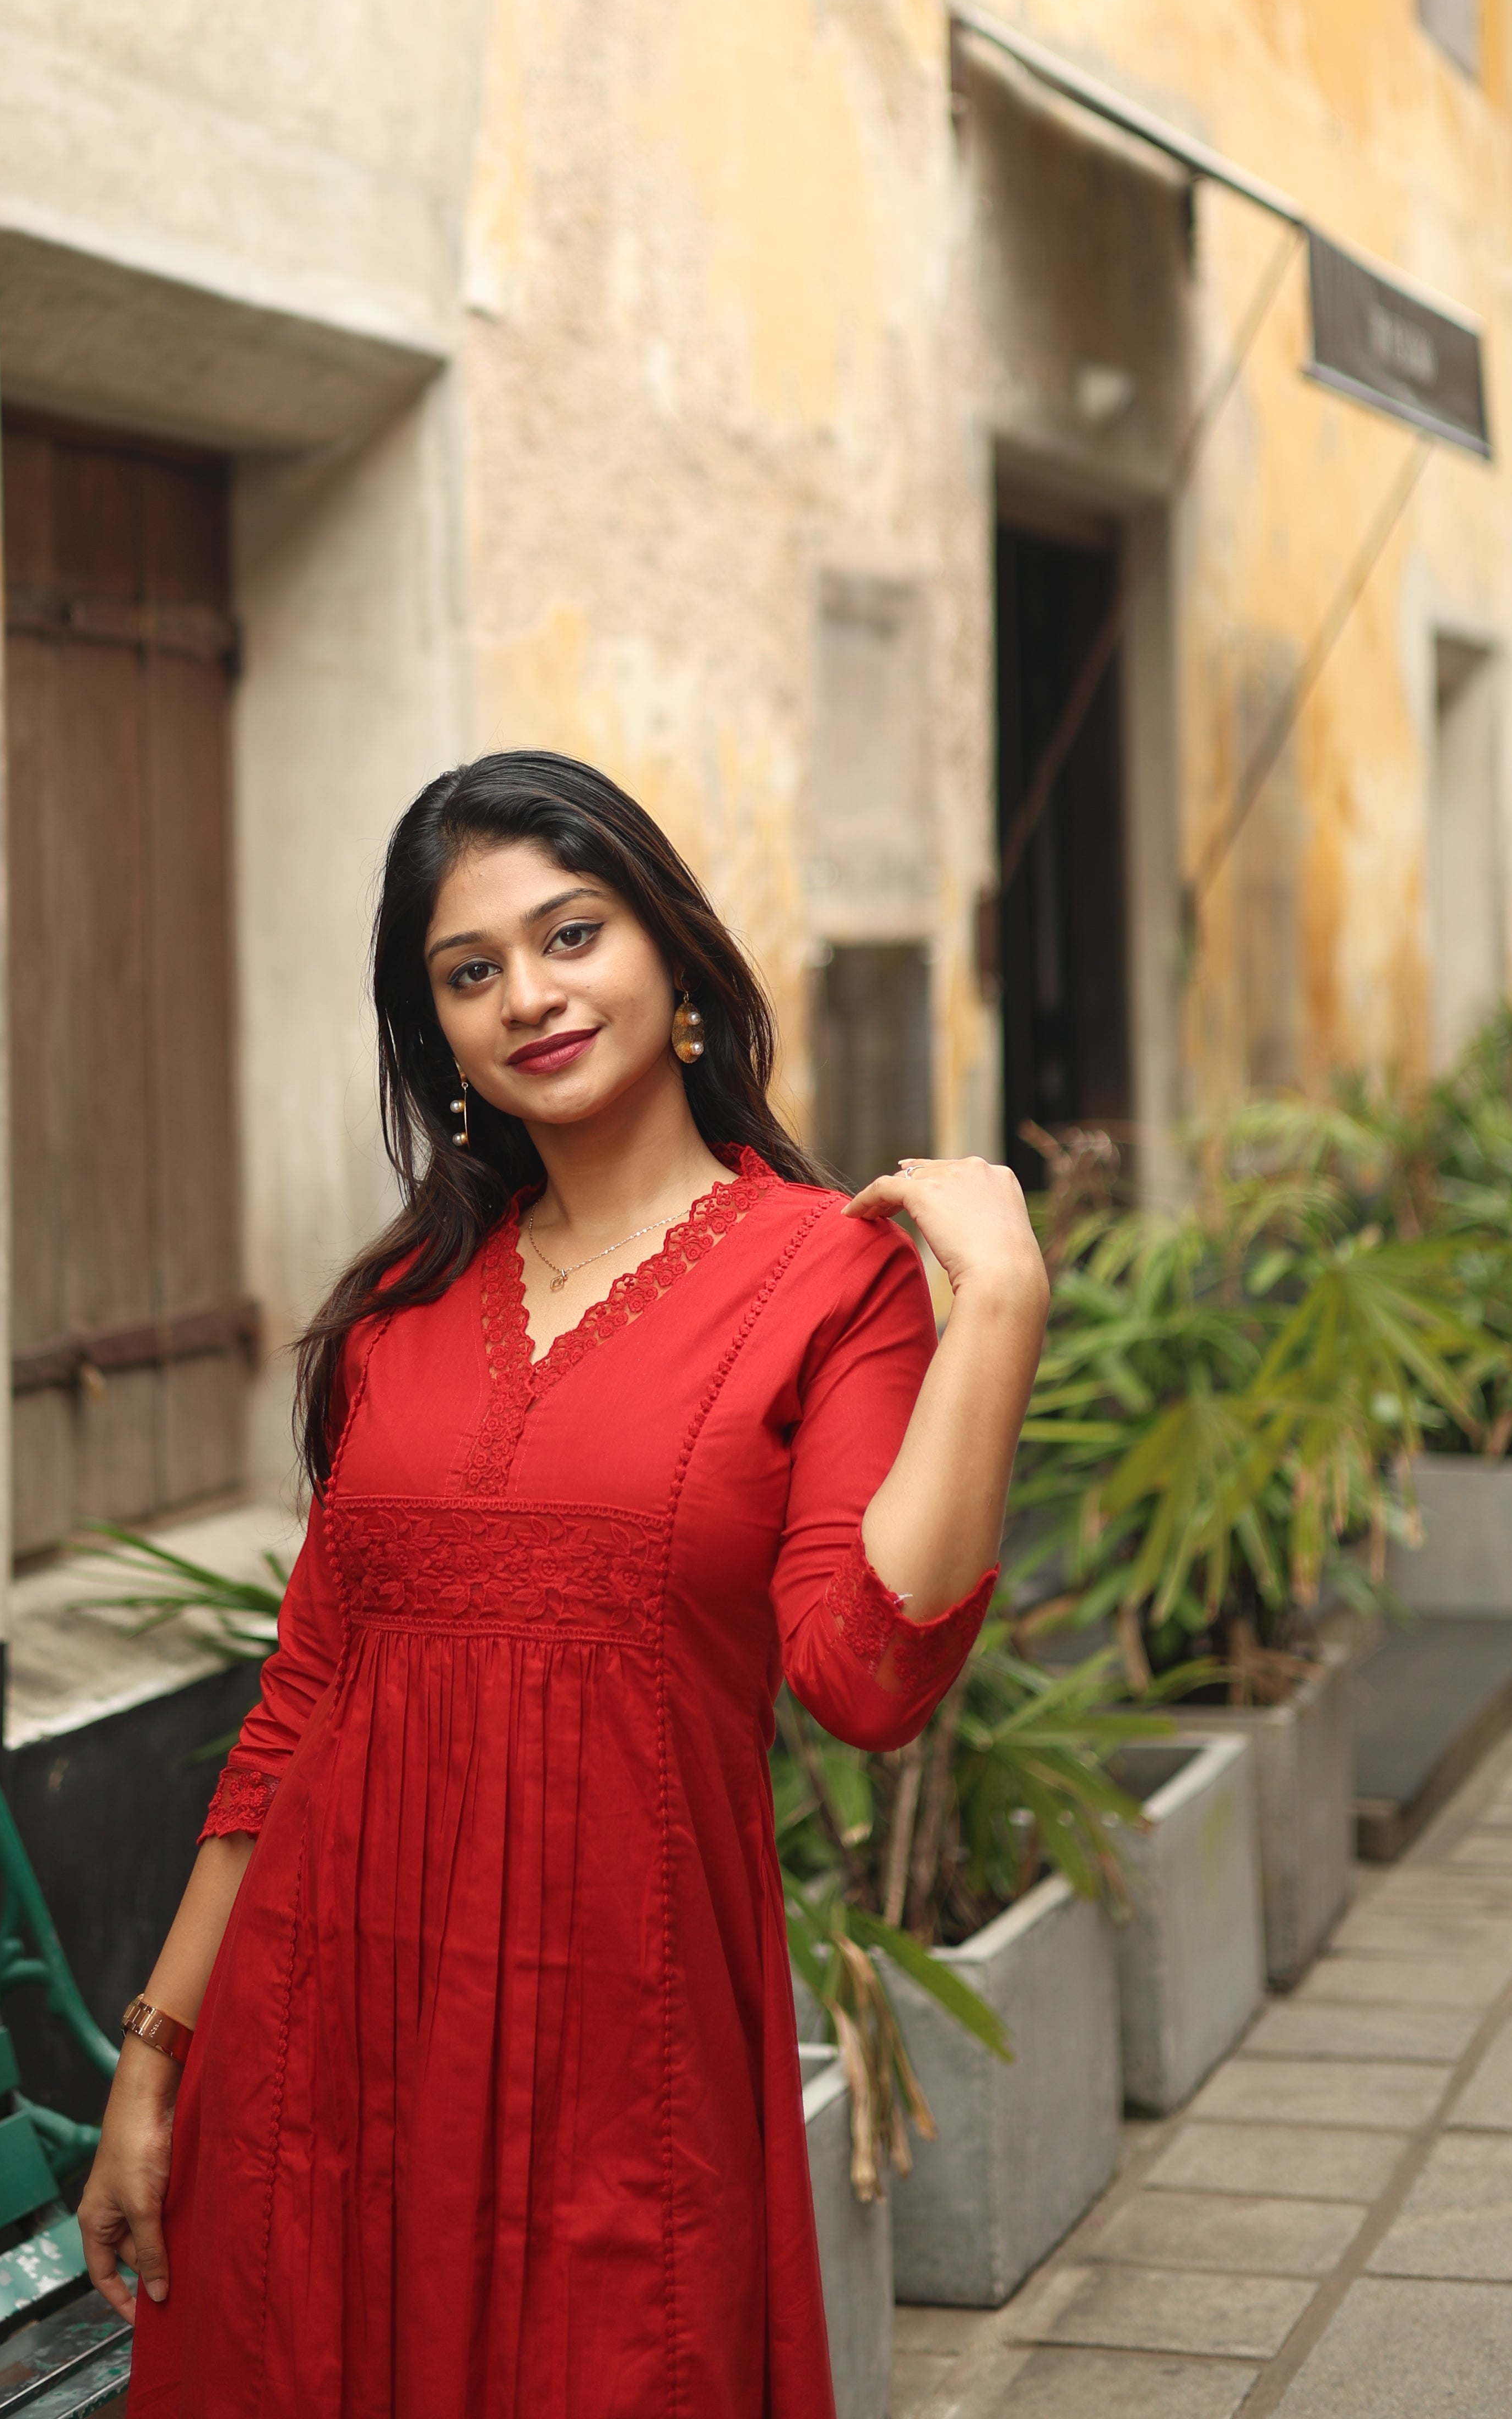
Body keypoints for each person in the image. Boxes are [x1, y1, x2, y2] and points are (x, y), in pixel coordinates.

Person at [80, 751, 1049, 2418]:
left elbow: (865, 1679)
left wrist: (1007, 1302)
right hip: (320, 2040)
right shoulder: (400, 1300)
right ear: (437, 1034)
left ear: (668, 951)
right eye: (470, 972)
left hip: (617, 2055)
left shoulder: (828, 1281)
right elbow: (303, 1699)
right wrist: (155, 2058)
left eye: (570, 933)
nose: (529, 995)